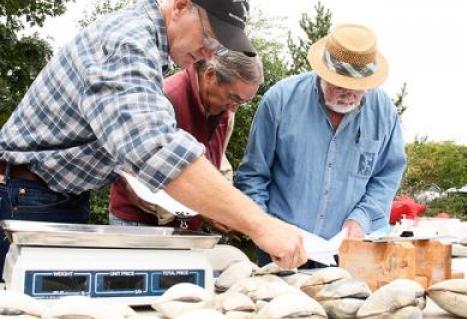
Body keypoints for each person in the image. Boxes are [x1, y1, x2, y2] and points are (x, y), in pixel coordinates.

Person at [0, 0, 307, 278]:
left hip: (58, 193)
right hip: (26, 195)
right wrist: (260, 224)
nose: (209, 54)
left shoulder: (148, 47)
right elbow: (155, 149)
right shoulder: (127, 44)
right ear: (180, 6)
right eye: (209, 37)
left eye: (218, 46)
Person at [234, 24, 407, 267]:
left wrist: (363, 218)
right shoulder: (281, 100)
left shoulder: (384, 112)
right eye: (339, 84)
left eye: (357, 88)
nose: (347, 94)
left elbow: (387, 175)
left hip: (349, 251)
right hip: (282, 248)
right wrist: (264, 228)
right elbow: (253, 175)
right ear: (322, 72)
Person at [109, 51, 263, 230]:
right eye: (233, 98)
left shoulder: (225, 112)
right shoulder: (164, 100)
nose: (234, 108)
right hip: (138, 223)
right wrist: (206, 209)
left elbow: (218, 162)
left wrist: (226, 208)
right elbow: (138, 180)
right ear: (210, 75)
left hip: (185, 225)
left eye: (242, 102)